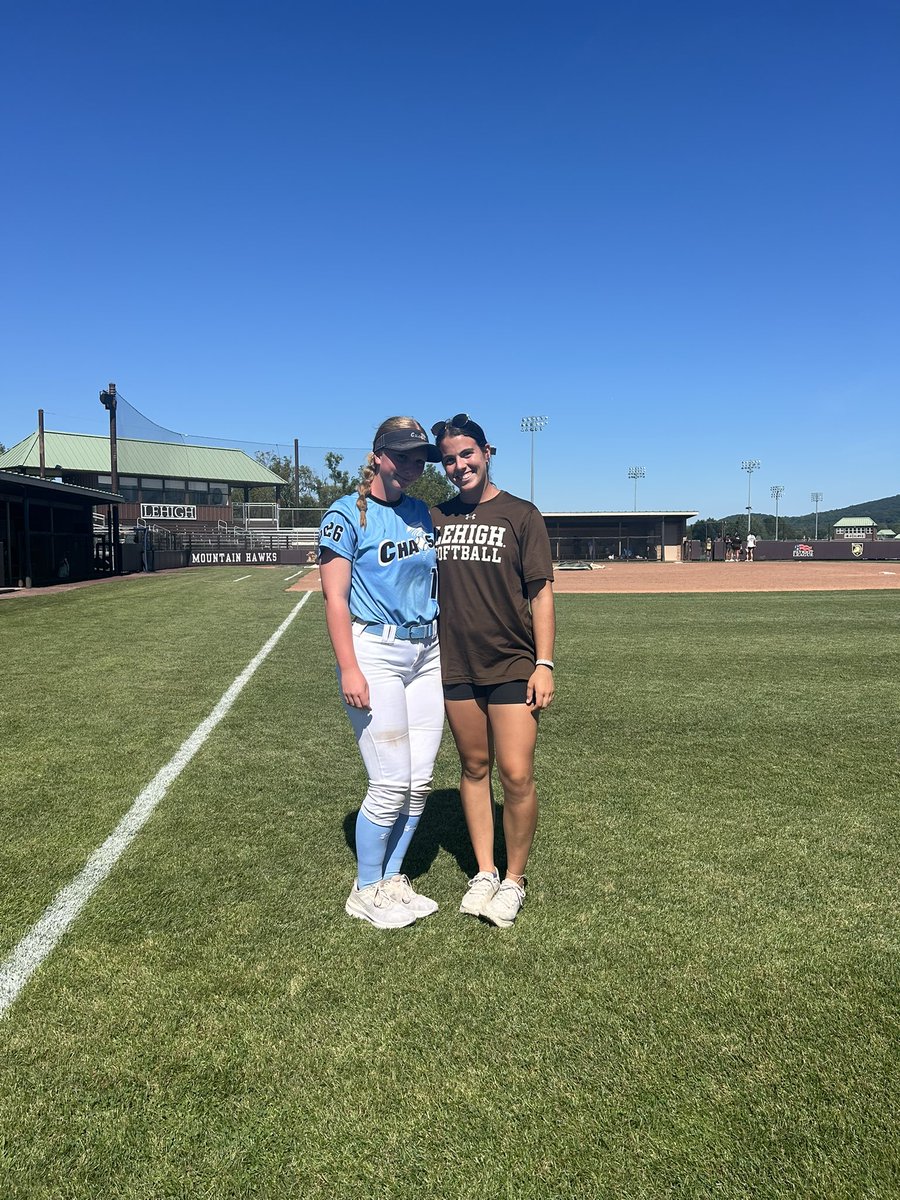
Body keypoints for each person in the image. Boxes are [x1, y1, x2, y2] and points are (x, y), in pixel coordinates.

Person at [318, 417, 445, 929]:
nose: (415, 465)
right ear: (378, 455)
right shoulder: (346, 515)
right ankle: (365, 888)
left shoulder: (421, 513)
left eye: (421, 457)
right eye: (406, 455)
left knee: (420, 783)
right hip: (376, 652)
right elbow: (334, 597)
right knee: (390, 783)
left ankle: (393, 878)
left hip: (428, 652)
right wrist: (349, 666)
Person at [430, 414, 556, 928]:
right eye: (449, 460)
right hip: (456, 663)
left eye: (467, 455)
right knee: (474, 768)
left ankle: (515, 879)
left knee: (517, 772)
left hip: (512, 661)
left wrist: (544, 663)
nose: (459, 466)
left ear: (487, 452)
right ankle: (484, 871)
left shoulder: (521, 515)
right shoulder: (434, 517)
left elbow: (541, 592)